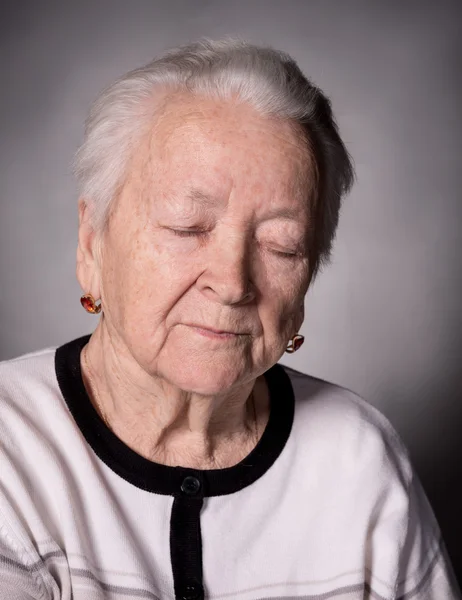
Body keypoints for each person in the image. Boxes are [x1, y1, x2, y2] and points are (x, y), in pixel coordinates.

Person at [0, 38, 459, 600]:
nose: (235, 282)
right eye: (189, 227)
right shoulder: (11, 448)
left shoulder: (358, 458)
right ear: (92, 243)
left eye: (282, 245)